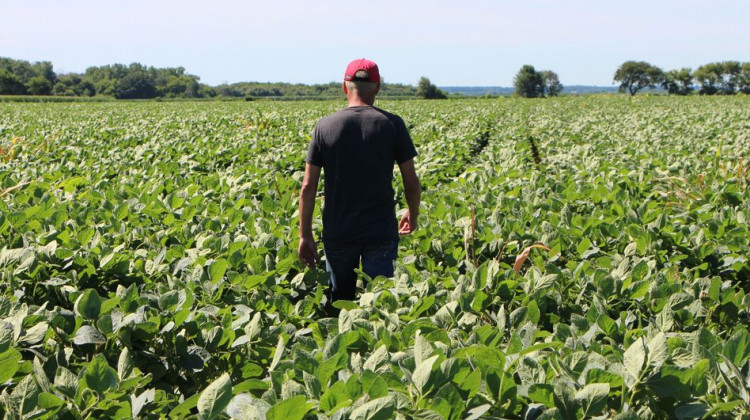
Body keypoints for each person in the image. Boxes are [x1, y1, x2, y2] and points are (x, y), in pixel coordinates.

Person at [298, 58, 421, 303]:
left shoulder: (324, 127)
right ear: (377, 88)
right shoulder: (392, 124)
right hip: (380, 230)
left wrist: (305, 235)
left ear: (344, 87)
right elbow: (411, 182)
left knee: (340, 304)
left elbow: (308, 186)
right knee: (381, 305)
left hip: (339, 230)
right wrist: (412, 213)